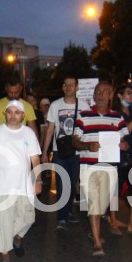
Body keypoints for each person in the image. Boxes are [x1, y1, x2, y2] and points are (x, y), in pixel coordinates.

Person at [73, 81, 132, 256]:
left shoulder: (117, 117)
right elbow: (74, 141)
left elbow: (126, 140)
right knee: (93, 203)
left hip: (109, 168)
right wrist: (86, 145)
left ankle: (95, 232)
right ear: (93, 95)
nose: (100, 95)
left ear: (110, 95)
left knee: (102, 204)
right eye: (97, 92)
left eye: (104, 92)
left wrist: (124, 145)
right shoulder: (83, 116)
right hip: (89, 166)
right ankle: (97, 242)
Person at [0, 100, 43, 262]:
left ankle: (16, 238)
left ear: (23, 115)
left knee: (28, 218)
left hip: (24, 185)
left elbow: (35, 159)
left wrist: (38, 180)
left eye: (17, 112)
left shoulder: (29, 133)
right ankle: (5, 256)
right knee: (5, 221)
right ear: (5, 114)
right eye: (10, 112)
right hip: (3, 186)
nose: (13, 115)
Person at [41, 77, 88, 229]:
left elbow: (88, 127)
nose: (68, 87)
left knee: (73, 183)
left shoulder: (84, 105)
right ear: (63, 87)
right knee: (62, 183)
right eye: (66, 85)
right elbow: (50, 130)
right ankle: (62, 217)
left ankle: (67, 212)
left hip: (77, 151)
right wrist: (44, 152)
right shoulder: (55, 105)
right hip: (59, 150)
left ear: (76, 87)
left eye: (71, 85)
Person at [108, 85, 132, 237]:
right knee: (115, 191)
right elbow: (125, 130)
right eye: (128, 93)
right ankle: (113, 221)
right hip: (118, 156)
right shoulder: (115, 113)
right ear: (119, 96)